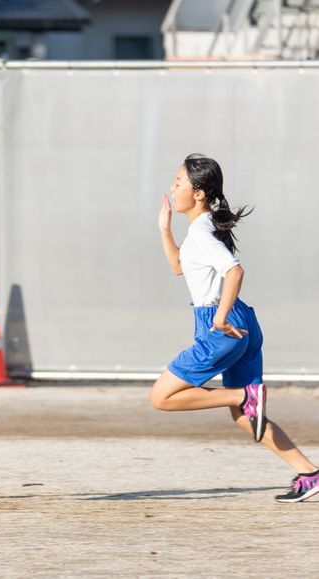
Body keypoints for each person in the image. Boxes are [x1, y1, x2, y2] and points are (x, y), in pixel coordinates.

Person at [151, 153, 318, 503]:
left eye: (179, 182)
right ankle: (309, 473)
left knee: (161, 397)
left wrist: (220, 317)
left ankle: (244, 395)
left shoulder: (202, 234)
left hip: (221, 326)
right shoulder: (206, 224)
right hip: (244, 325)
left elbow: (234, 271)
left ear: (198, 193)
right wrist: (165, 229)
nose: (172, 187)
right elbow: (179, 268)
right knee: (245, 418)